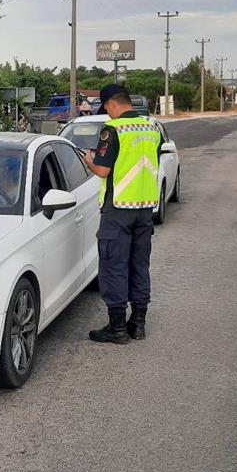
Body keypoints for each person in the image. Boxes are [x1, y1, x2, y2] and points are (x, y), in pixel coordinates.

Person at [82, 83, 161, 344]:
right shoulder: (151, 128)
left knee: (114, 267)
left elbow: (103, 171)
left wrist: (89, 160)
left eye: (106, 108)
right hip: (145, 209)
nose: (107, 113)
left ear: (112, 104)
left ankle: (116, 328)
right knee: (140, 265)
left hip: (118, 209)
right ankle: (138, 324)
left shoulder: (113, 130)